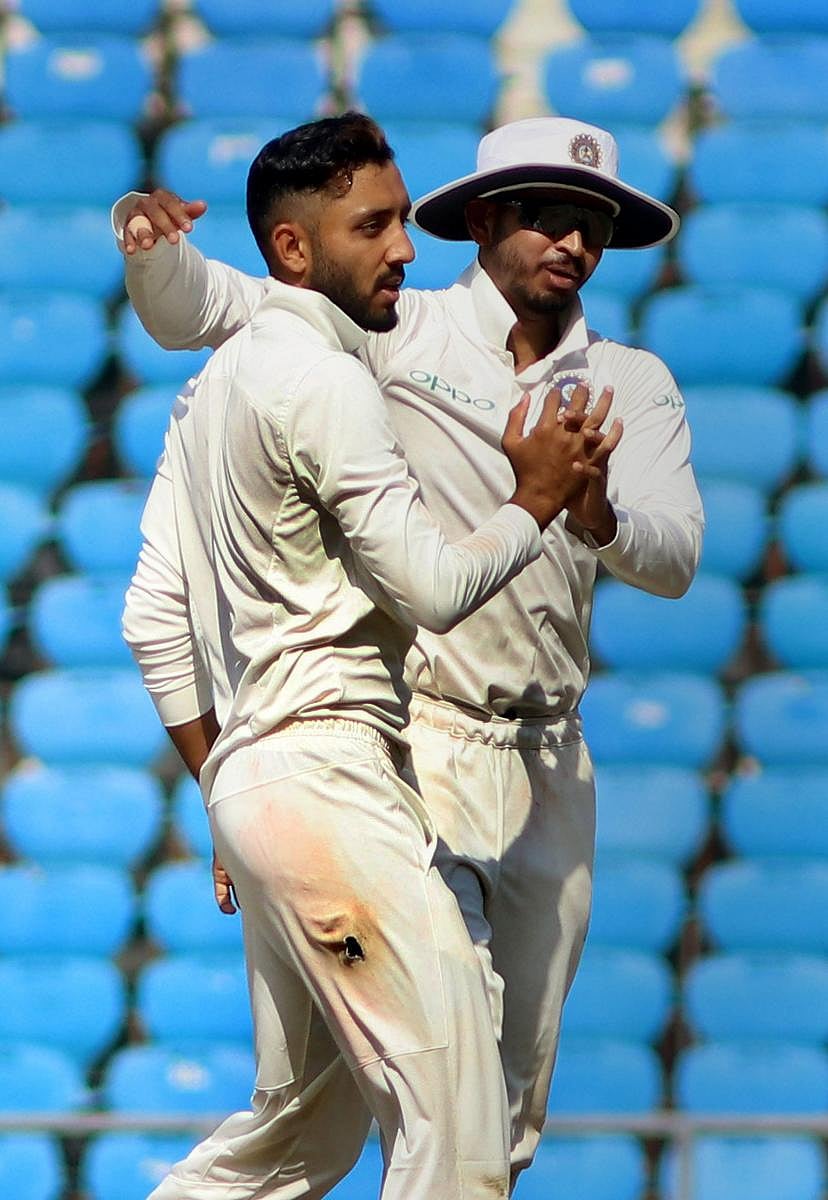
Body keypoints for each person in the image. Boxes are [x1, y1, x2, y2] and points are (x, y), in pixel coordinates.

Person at [115, 114, 702, 1190]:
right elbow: (223, 307)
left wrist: (597, 508)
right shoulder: (394, 327)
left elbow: (674, 558)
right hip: (406, 740)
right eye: (541, 215)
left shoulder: (634, 382)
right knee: (449, 1095)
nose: (569, 241)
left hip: (546, 760)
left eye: (590, 224)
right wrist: (154, 250)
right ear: (483, 219)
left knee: (498, 1117)